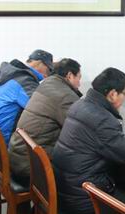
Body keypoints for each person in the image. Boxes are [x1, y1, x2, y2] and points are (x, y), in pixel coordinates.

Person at [53, 67, 125, 214]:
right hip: (84, 198)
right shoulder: (102, 120)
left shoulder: (80, 105)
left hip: (66, 187)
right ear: (112, 94)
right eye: (124, 93)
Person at [8, 58, 83, 187]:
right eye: (79, 78)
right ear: (70, 75)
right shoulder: (65, 96)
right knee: (86, 162)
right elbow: (81, 131)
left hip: (18, 158)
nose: (80, 84)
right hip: (31, 167)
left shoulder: (47, 84)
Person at [0, 49, 53, 143]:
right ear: (39, 63)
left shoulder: (14, 76)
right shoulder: (25, 81)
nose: (49, 74)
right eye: (49, 69)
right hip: (2, 140)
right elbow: (41, 109)